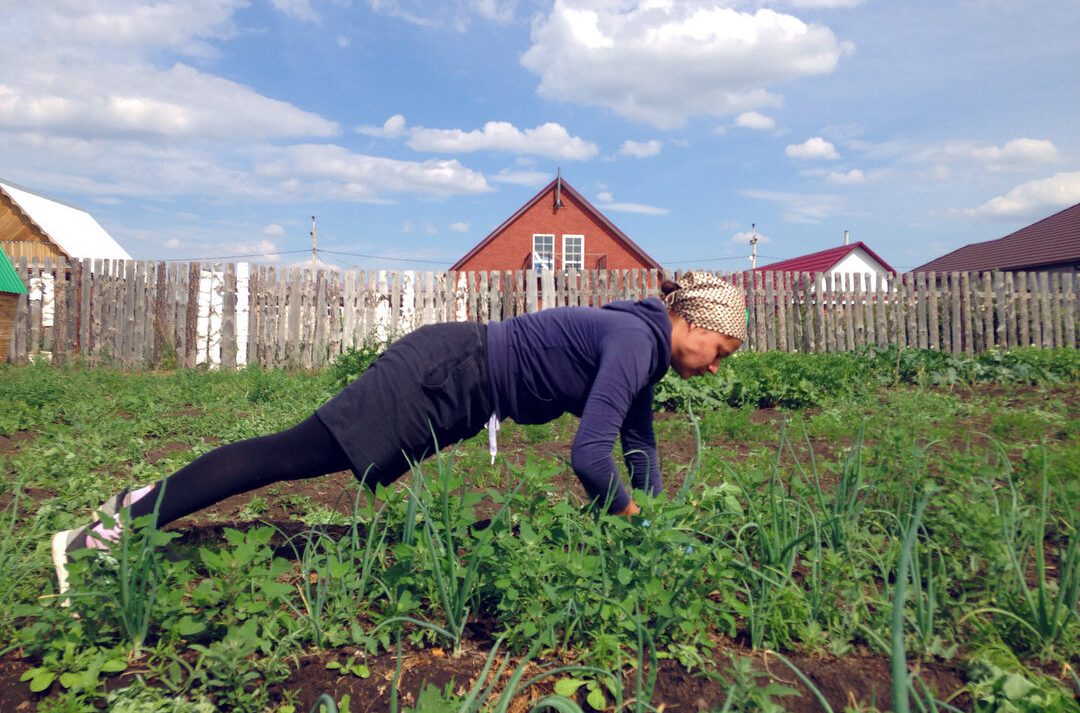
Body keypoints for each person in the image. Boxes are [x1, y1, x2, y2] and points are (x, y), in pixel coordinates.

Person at [51, 271, 746, 596]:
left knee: (302, 453)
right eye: (721, 350)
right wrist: (634, 522)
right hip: (445, 371)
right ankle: (113, 526)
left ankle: (138, 507)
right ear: (695, 324)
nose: (717, 368)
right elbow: (590, 455)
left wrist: (658, 523)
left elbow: (637, 447)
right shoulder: (633, 339)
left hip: (459, 384)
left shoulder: (643, 350)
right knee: (299, 452)